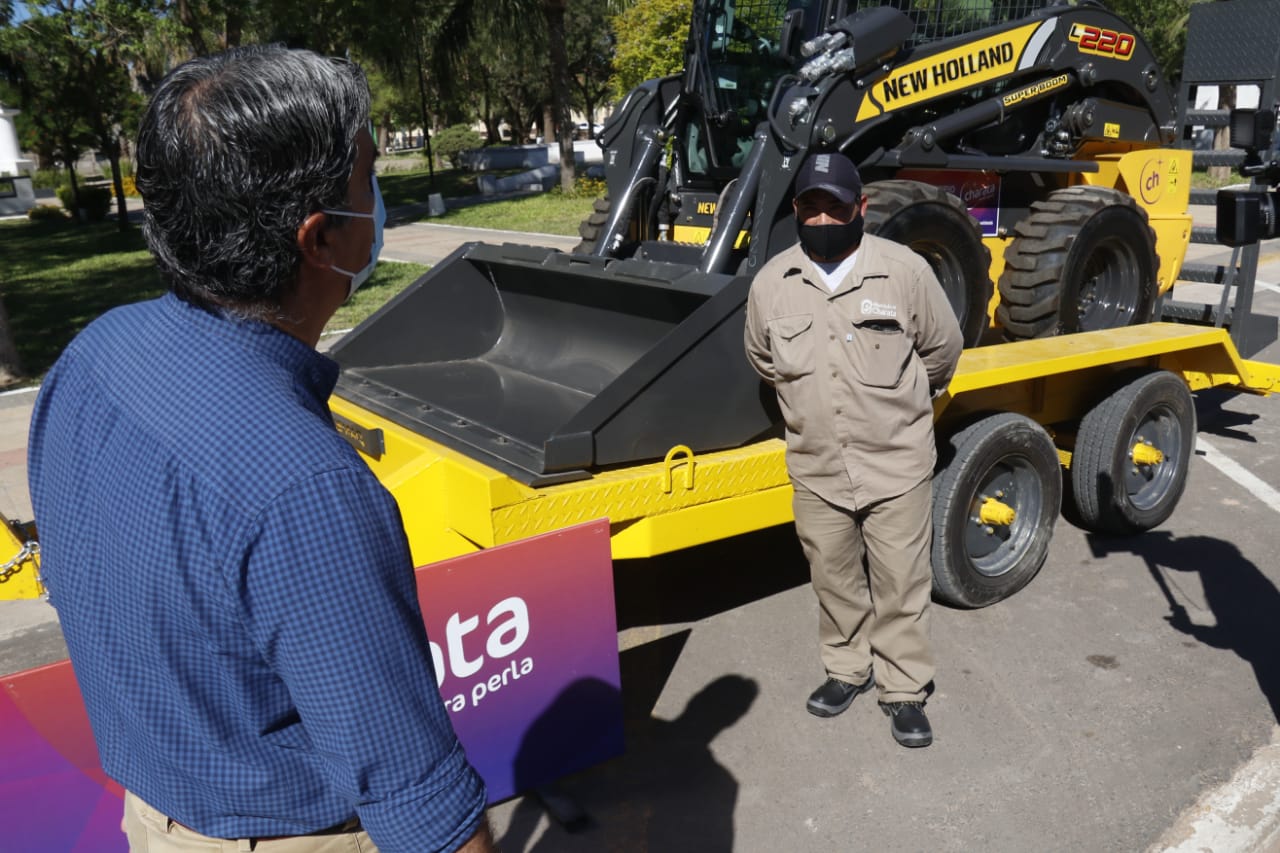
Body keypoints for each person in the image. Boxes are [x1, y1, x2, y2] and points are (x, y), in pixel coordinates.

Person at [27, 46, 495, 851]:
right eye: (368, 178)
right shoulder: (304, 485)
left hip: (153, 814)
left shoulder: (93, 352)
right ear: (319, 238)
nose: (378, 202)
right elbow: (418, 800)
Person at [743, 151, 963, 748]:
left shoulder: (904, 272)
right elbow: (763, 359)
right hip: (817, 468)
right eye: (810, 208)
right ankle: (847, 669)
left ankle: (903, 689)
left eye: (835, 208)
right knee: (833, 580)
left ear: (860, 207)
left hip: (895, 465)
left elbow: (942, 351)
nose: (822, 220)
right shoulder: (772, 284)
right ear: (796, 211)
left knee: (901, 585)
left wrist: (899, 406)